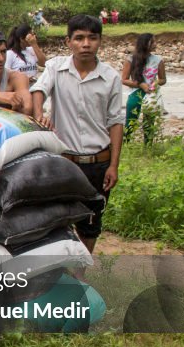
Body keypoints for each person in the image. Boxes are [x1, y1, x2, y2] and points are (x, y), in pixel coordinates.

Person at [31, 14, 124, 254]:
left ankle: (79, 276)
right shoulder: (56, 67)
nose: (86, 44)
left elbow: (115, 122)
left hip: (98, 162)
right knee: (56, 220)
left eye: (92, 38)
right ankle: (58, 272)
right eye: (79, 38)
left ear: (100, 41)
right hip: (64, 162)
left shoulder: (110, 77)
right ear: (68, 41)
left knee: (91, 223)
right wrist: (39, 114)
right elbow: (39, 89)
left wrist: (114, 165)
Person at [121, 33, 166, 144]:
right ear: (145, 44)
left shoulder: (158, 60)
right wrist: (141, 84)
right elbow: (124, 80)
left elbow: (163, 79)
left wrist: (155, 83)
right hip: (136, 94)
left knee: (149, 124)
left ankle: (148, 147)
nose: (155, 44)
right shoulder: (130, 59)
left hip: (151, 95)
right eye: (153, 42)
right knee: (130, 121)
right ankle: (125, 145)